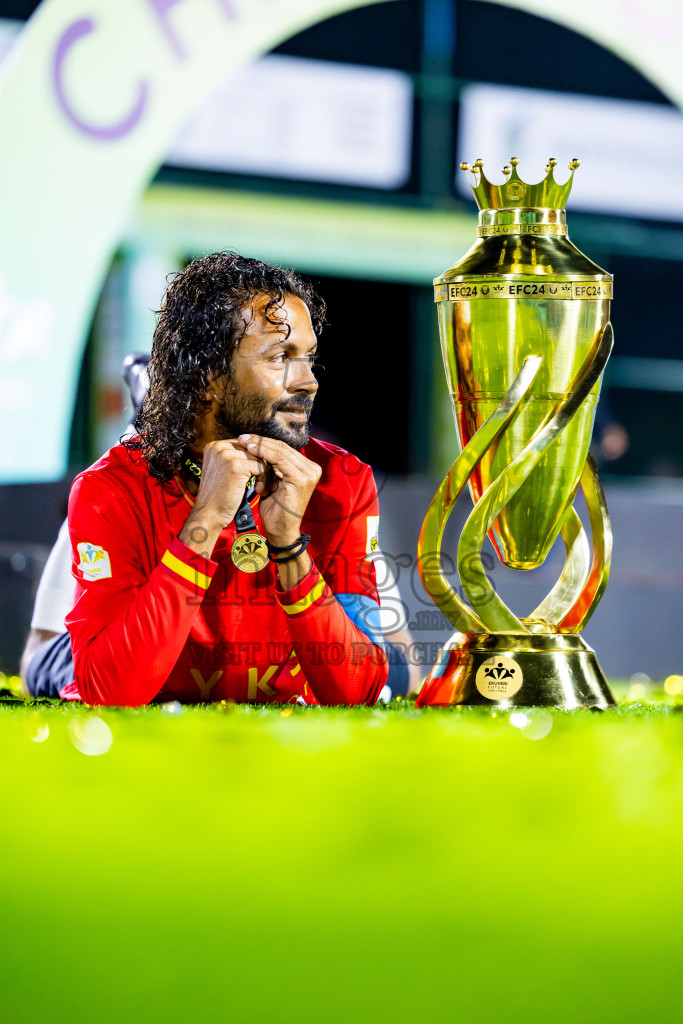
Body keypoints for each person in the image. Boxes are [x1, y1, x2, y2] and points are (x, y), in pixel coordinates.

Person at [23, 253, 395, 706]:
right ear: (208, 376)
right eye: (281, 357)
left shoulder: (342, 480)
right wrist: (204, 522)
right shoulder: (109, 488)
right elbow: (110, 691)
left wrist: (289, 546)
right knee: (44, 659)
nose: (309, 382)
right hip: (115, 620)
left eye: (309, 358)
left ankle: (157, 400)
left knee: (399, 664)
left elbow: (357, 692)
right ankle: (152, 406)